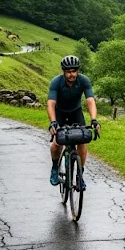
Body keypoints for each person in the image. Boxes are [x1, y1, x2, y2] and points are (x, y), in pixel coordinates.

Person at [47, 55, 100, 190]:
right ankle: (54, 168)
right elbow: (51, 103)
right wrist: (53, 122)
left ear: (78, 70)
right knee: (56, 144)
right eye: (68, 71)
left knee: (82, 142)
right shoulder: (56, 82)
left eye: (74, 71)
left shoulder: (83, 80)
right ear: (63, 71)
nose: (71, 74)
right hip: (60, 113)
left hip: (76, 113)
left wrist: (94, 120)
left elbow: (90, 100)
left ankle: (79, 175)